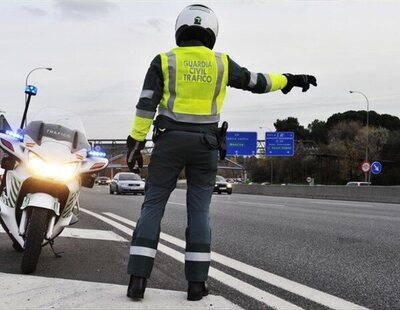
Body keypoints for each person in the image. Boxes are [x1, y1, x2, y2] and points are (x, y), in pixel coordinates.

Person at [126, 4, 317, 301]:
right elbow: (257, 81)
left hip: (169, 143)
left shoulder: (164, 60)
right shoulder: (221, 63)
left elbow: (146, 104)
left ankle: (138, 280)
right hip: (205, 146)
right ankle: (196, 285)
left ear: (180, 30)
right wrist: (291, 79)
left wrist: (135, 143)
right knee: (199, 212)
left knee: (152, 207)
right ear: (211, 32)